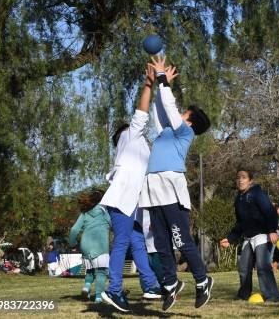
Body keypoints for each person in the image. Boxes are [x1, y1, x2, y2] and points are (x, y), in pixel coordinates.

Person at [138, 55, 213, 311]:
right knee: (160, 242)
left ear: (189, 121)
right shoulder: (166, 132)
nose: (180, 115)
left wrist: (162, 78)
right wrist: (160, 85)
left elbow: (170, 108)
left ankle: (202, 281)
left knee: (181, 241)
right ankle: (170, 284)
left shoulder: (185, 132)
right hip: (153, 189)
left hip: (171, 189)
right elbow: (161, 110)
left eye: (184, 114)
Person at [100, 65, 162, 312]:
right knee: (124, 241)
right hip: (122, 199)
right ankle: (114, 290)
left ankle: (150, 284)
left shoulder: (134, 149)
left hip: (130, 202)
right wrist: (149, 84)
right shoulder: (131, 135)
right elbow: (141, 114)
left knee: (137, 242)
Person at [220, 168, 279, 302]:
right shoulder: (238, 199)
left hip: (262, 236)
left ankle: (272, 296)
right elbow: (240, 223)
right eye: (238, 177)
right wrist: (230, 239)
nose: (240, 180)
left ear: (250, 180)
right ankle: (244, 294)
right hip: (248, 237)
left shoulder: (257, 193)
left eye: (243, 177)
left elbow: (270, 211)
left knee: (262, 267)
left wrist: (272, 230)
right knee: (243, 268)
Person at [69, 189, 111, 303]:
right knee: (101, 272)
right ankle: (98, 298)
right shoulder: (105, 212)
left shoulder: (85, 213)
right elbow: (113, 225)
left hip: (85, 244)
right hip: (100, 244)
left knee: (90, 270)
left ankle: (86, 287)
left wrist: (73, 244)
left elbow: (74, 230)